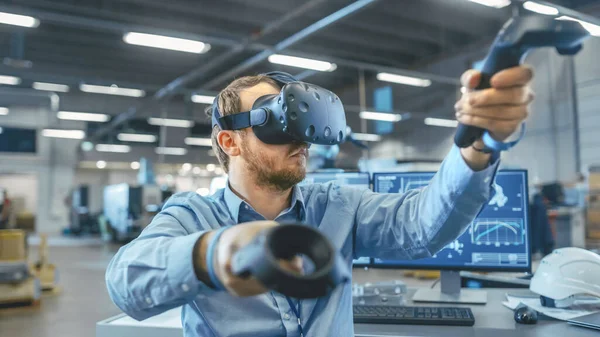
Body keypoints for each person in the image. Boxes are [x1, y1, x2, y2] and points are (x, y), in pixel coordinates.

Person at [106, 66, 533, 336]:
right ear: (229, 142)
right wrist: (212, 255)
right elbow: (126, 282)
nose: (301, 141)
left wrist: (476, 146)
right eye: (277, 123)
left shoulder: (338, 207)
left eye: (302, 123)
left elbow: (420, 226)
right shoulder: (193, 215)